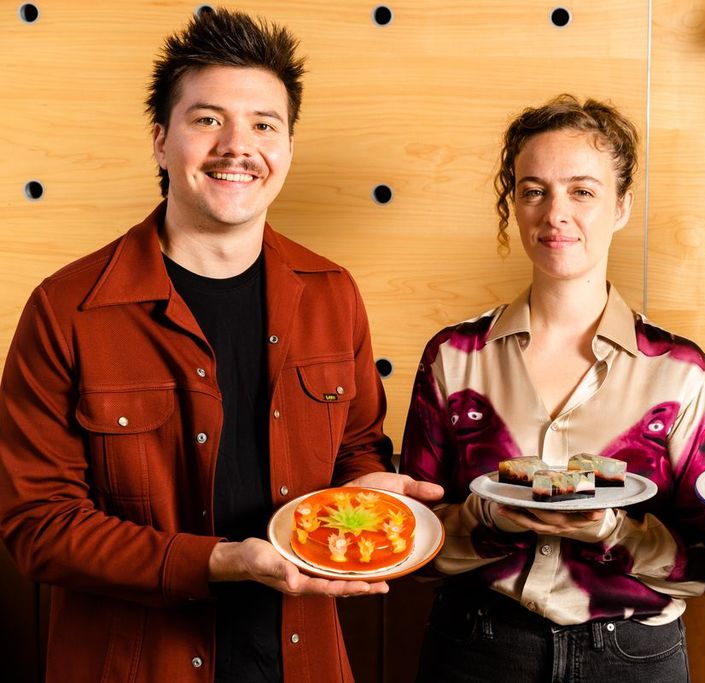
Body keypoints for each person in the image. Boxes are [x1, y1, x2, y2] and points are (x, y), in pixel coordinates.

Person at [0, 8, 440, 683]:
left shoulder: (332, 294)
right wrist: (215, 561)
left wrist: (365, 488)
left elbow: (355, 447)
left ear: (287, 148)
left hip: (304, 662)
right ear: (160, 141)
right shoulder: (67, 309)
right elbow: (39, 525)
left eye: (264, 125)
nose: (238, 147)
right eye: (208, 120)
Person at [400, 94, 705, 683]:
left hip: (632, 658)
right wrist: (490, 520)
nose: (555, 213)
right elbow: (414, 541)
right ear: (515, 204)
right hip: (477, 647)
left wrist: (613, 531)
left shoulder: (680, 370)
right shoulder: (453, 357)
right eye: (534, 191)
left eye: (582, 191)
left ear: (622, 206)